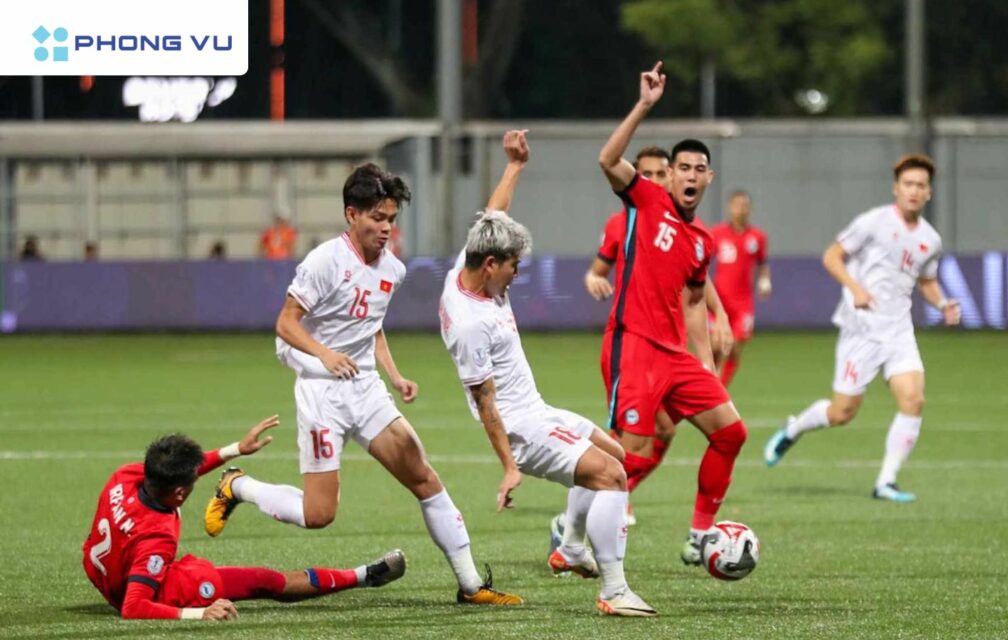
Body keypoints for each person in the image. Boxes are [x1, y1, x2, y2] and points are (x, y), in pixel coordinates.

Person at [204, 163, 521, 606]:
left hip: (364, 386)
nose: (386, 227)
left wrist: (394, 374)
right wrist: (325, 355)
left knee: (423, 476)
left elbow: (370, 325)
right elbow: (285, 324)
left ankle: (471, 586)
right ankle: (238, 486)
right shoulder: (324, 262)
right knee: (319, 514)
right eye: (377, 217)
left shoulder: (393, 268)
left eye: (391, 218)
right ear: (351, 215)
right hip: (321, 391)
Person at [439, 130, 655, 617]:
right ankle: (615, 590)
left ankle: (572, 547)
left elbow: (492, 216)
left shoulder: (466, 269)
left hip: (535, 410)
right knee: (611, 476)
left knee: (614, 454)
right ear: (490, 264)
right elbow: (485, 403)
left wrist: (515, 166)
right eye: (513, 266)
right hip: (521, 428)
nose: (517, 273)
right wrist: (509, 466)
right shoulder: (470, 322)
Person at [597, 62, 750, 567]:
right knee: (627, 455)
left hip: (674, 355)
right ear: (671, 174)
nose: (689, 175)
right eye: (681, 167)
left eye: (698, 169)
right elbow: (607, 158)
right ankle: (573, 530)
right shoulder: (646, 200)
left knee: (730, 433)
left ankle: (701, 535)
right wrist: (643, 105)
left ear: (708, 177)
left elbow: (693, 303)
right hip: (635, 345)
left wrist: (705, 364)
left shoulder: (702, 241)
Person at [764, 154, 961, 502]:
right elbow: (831, 256)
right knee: (842, 412)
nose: (914, 191)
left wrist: (943, 303)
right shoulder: (874, 222)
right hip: (862, 329)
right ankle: (795, 428)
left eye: (921, 185)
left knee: (913, 399)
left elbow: (926, 280)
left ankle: (886, 482)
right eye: (908, 184)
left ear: (929, 193)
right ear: (896, 188)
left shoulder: (930, 240)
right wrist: (855, 289)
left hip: (899, 331)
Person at [82, 416, 405, 621]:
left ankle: (237, 485)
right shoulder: (157, 536)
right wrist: (198, 613)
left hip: (104, 569)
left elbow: (181, 474)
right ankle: (364, 576)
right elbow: (133, 608)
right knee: (266, 581)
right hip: (139, 590)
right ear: (179, 493)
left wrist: (236, 448)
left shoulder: (126, 476)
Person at [580, 146, 735, 525]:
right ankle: (588, 503)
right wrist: (594, 278)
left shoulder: (692, 232)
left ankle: (619, 494)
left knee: (668, 431)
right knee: (631, 440)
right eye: (645, 173)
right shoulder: (630, 217)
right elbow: (598, 267)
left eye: (658, 173)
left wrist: (719, 317)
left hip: (671, 349)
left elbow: (694, 284)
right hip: (633, 342)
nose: (652, 180)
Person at [709, 190, 772, 386]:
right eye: (737, 205)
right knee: (714, 346)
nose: (741, 209)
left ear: (750, 208)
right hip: (718, 301)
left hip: (743, 303)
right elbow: (702, 261)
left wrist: (765, 281)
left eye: (744, 205)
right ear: (730, 208)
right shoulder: (717, 234)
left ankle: (720, 390)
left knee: (733, 349)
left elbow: (763, 263)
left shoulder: (757, 237)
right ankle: (708, 386)